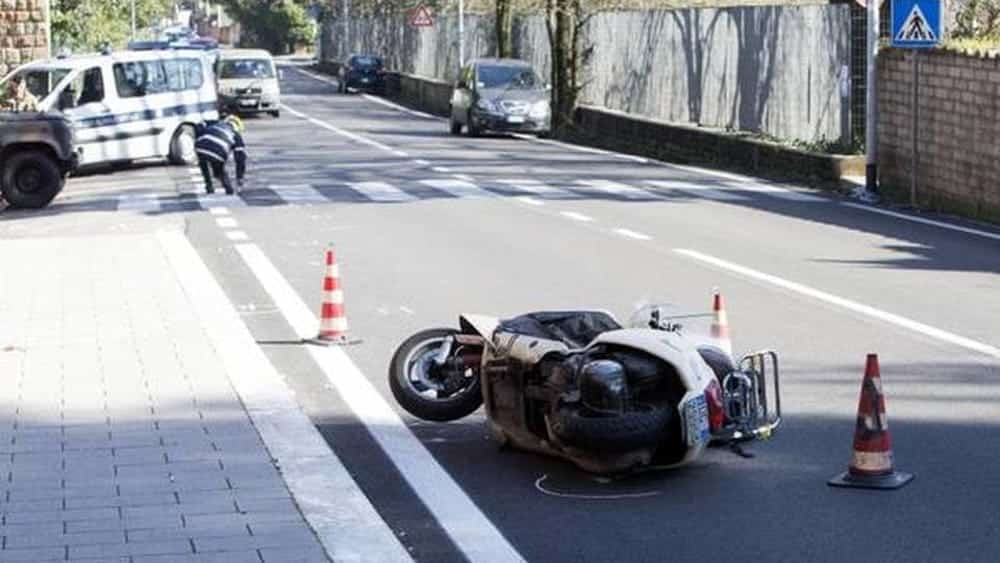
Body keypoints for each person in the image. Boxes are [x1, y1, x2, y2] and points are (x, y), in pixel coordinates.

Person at [195, 115, 247, 195]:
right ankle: (229, 189)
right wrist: (239, 177)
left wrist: (201, 136)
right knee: (219, 169)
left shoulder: (215, 123)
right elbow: (240, 158)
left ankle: (209, 186)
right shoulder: (235, 135)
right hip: (218, 152)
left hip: (200, 145)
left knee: (203, 161)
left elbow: (199, 125)